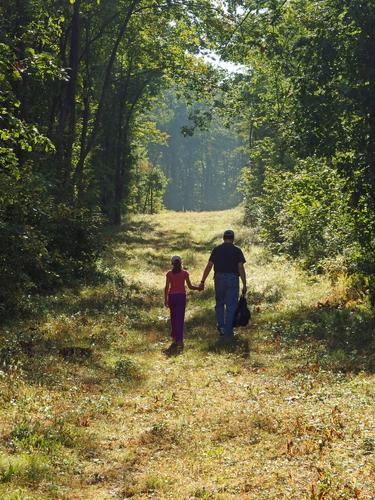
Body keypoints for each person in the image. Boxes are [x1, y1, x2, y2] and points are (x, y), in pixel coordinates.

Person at [199, 229, 247, 337]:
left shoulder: (217, 250)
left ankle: (221, 327)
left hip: (219, 278)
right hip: (233, 278)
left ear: (223, 238)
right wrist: (244, 284)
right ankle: (229, 331)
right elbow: (240, 267)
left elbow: (209, 266)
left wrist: (202, 281)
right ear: (233, 239)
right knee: (231, 306)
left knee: (220, 303)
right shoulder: (237, 251)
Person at [164, 255, 199, 353]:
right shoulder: (184, 273)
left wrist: (165, 299)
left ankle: (175, 338)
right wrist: (199, 288)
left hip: (172, 297)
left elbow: (166, 287)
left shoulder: (169, 274)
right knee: (180, 318)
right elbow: (190, 286)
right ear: (181, 263)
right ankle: (179, 340)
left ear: (172, 263)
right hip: (181, 297)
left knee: (173, 318)